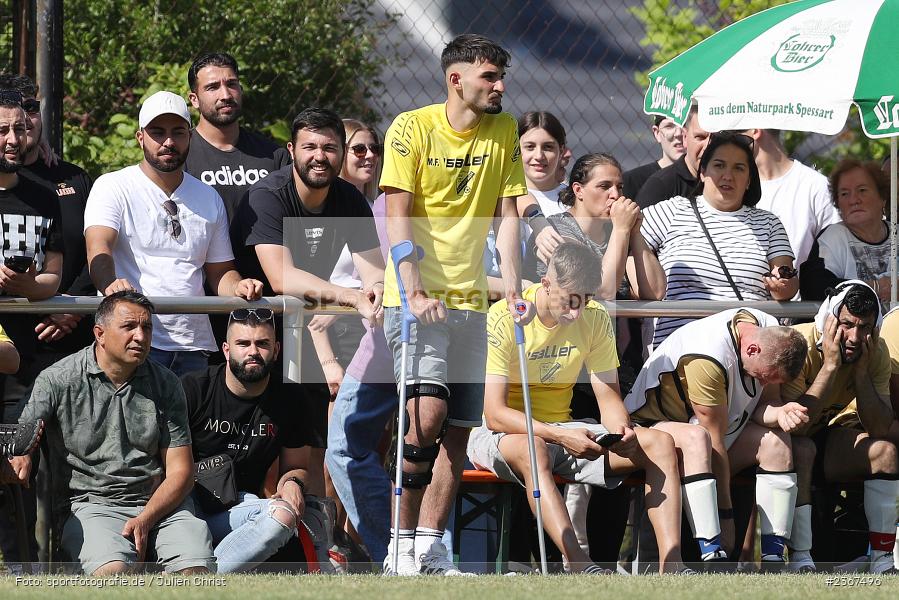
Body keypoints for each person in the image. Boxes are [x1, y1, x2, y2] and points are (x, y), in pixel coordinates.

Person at [380, 34, 530, 576]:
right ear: (456, 78)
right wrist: (413, 289)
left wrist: (513, 287)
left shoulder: (505, 129)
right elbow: (399, 213)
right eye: (489, 76)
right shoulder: (410, 127)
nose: (499, 86)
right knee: (425, 418)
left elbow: (508, 216)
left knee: (460, 430)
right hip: (415, 302)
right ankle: (398, 545)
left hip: (471, 301)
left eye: (500, 76)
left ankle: (430, 548)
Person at [469, 242, 690, 574]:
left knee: (659, 444)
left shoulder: (595, 316)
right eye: (569, 301)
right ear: (545, 284)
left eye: (585, 301)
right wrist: (558, 436)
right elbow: (495, 413)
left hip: (564, 429)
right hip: (504, 434)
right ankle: (577, 561)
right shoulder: (507, 316)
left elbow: (608, 396)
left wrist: (621, 431)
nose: (576, 313)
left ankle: (671, 564)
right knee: (536, 450)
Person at [232, 107, 385, 503]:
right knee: (260, 446)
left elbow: (374, 272)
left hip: (302, 329)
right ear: (291, 150)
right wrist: (351, 296)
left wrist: (377, 293)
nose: (320, 156)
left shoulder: (349, 198)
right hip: (251, 328)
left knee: (313, 444)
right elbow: (282, 278)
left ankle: (320, 547)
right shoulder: (268, 194)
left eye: (330, 148)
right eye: (310, 147)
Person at [14, 291, 216, 575]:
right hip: (90, 506)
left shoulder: (166, 383)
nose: (141, 336)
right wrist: (21, 454)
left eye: (146, 327)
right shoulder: (58, 378)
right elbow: (23, 429)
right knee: (113, 573)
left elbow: (181, 472)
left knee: (196, 567)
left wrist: (146, 518)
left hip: (159, 507)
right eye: (129, 327)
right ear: (100, 333)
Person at [84, 90, 262, 376]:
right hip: (133, 341)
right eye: (157, 132)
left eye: (178, 132)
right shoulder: (112, 186)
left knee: (187, 422)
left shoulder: (208, 196)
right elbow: (98, 249)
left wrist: (239, 287)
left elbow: (220, 273)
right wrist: (110, 285)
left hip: (195, 346)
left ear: (190, 136)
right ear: (140, 137)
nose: (168, 142)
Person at [624, 307, 808, 567]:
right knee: (698, 439)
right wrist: (727, 517)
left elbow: (764, 404)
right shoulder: (707, 356)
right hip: (652, 427)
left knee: (777, 443)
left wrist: (780, 413)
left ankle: (773, 558)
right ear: (752, 350)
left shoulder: (769, 332)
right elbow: (714, 439)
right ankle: (712, 554)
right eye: (764, 378)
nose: (764, 384)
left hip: (715, 431)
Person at [762, 281, 898, 574]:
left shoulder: (875, 349)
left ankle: (882, 561)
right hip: (780, 442)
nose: (854, 337)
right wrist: (830, 367)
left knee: (885, 452)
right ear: (828, 317)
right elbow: (794, 427)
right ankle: (801, 557)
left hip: (825, 436)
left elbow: (879, 428)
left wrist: (861, 373)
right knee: (803, 448)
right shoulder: (797, 342)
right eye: (847, 324)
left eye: (864, 328)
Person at [183, 308, 333, 572]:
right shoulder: (193, 389)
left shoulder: (292, 398)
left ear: (276, 350)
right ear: (226, 350)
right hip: (185, 506)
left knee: (283, 513)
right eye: (243, 343)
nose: (253, 351)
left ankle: (203, 573)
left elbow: (296, 466)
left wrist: (293, 484)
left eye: (262, 343)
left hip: (240, 507)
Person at [641, 131, 798, 347]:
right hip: (683, 346)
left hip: (748, 348)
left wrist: (781, 285)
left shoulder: (769, 223)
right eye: (719, 165)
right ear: (703, 172)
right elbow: (626, 241)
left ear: (750, 179)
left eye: (739, 168)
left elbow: (788, 283)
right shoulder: (671, 211)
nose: (728, 175)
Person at [184, 52, 288, 221]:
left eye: (231, 84)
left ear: (241, 89)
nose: (225, 95)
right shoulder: (180, 156)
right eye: (213, 87)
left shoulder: (274, 156)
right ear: (194, 99)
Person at [741, 128, 840, 272]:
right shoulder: (735, 187)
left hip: (806, 293)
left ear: (756, 131)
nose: (728, 140)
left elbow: (836, 255)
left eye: (734, 132)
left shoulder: (816, 186)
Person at [801, 160, 892, 308]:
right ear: (838, 205)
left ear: (883, 198)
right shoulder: (831, 237)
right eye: (844, 194)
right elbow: (814, 287)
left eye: (862, 190)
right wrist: (876, 287)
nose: (854, 200)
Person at [635, 105, 709, 209]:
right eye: (700, 137)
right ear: (685, 136)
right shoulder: (659, 185)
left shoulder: (725, 179)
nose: (707, 145)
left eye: (714, 137)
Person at [623, 116, 685, 200]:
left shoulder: (706, 179)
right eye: (669, 126)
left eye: (685, 125)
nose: (678, 133)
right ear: (657, 133)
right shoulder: (632, 181)